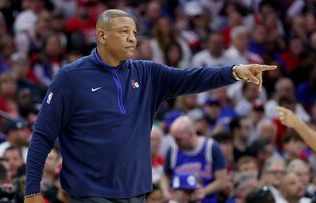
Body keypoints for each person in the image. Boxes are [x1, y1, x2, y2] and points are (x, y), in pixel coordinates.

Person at [25, 9, 276, 203]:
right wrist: (32, 191)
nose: (132, 39)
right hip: (89, 192)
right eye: (124, 32)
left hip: (136, 191)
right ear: (101, 35)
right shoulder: (71, 77)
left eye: (134, 33)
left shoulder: (147, 74)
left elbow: (193, 77)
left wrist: (234, 71)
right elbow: (42, 135)